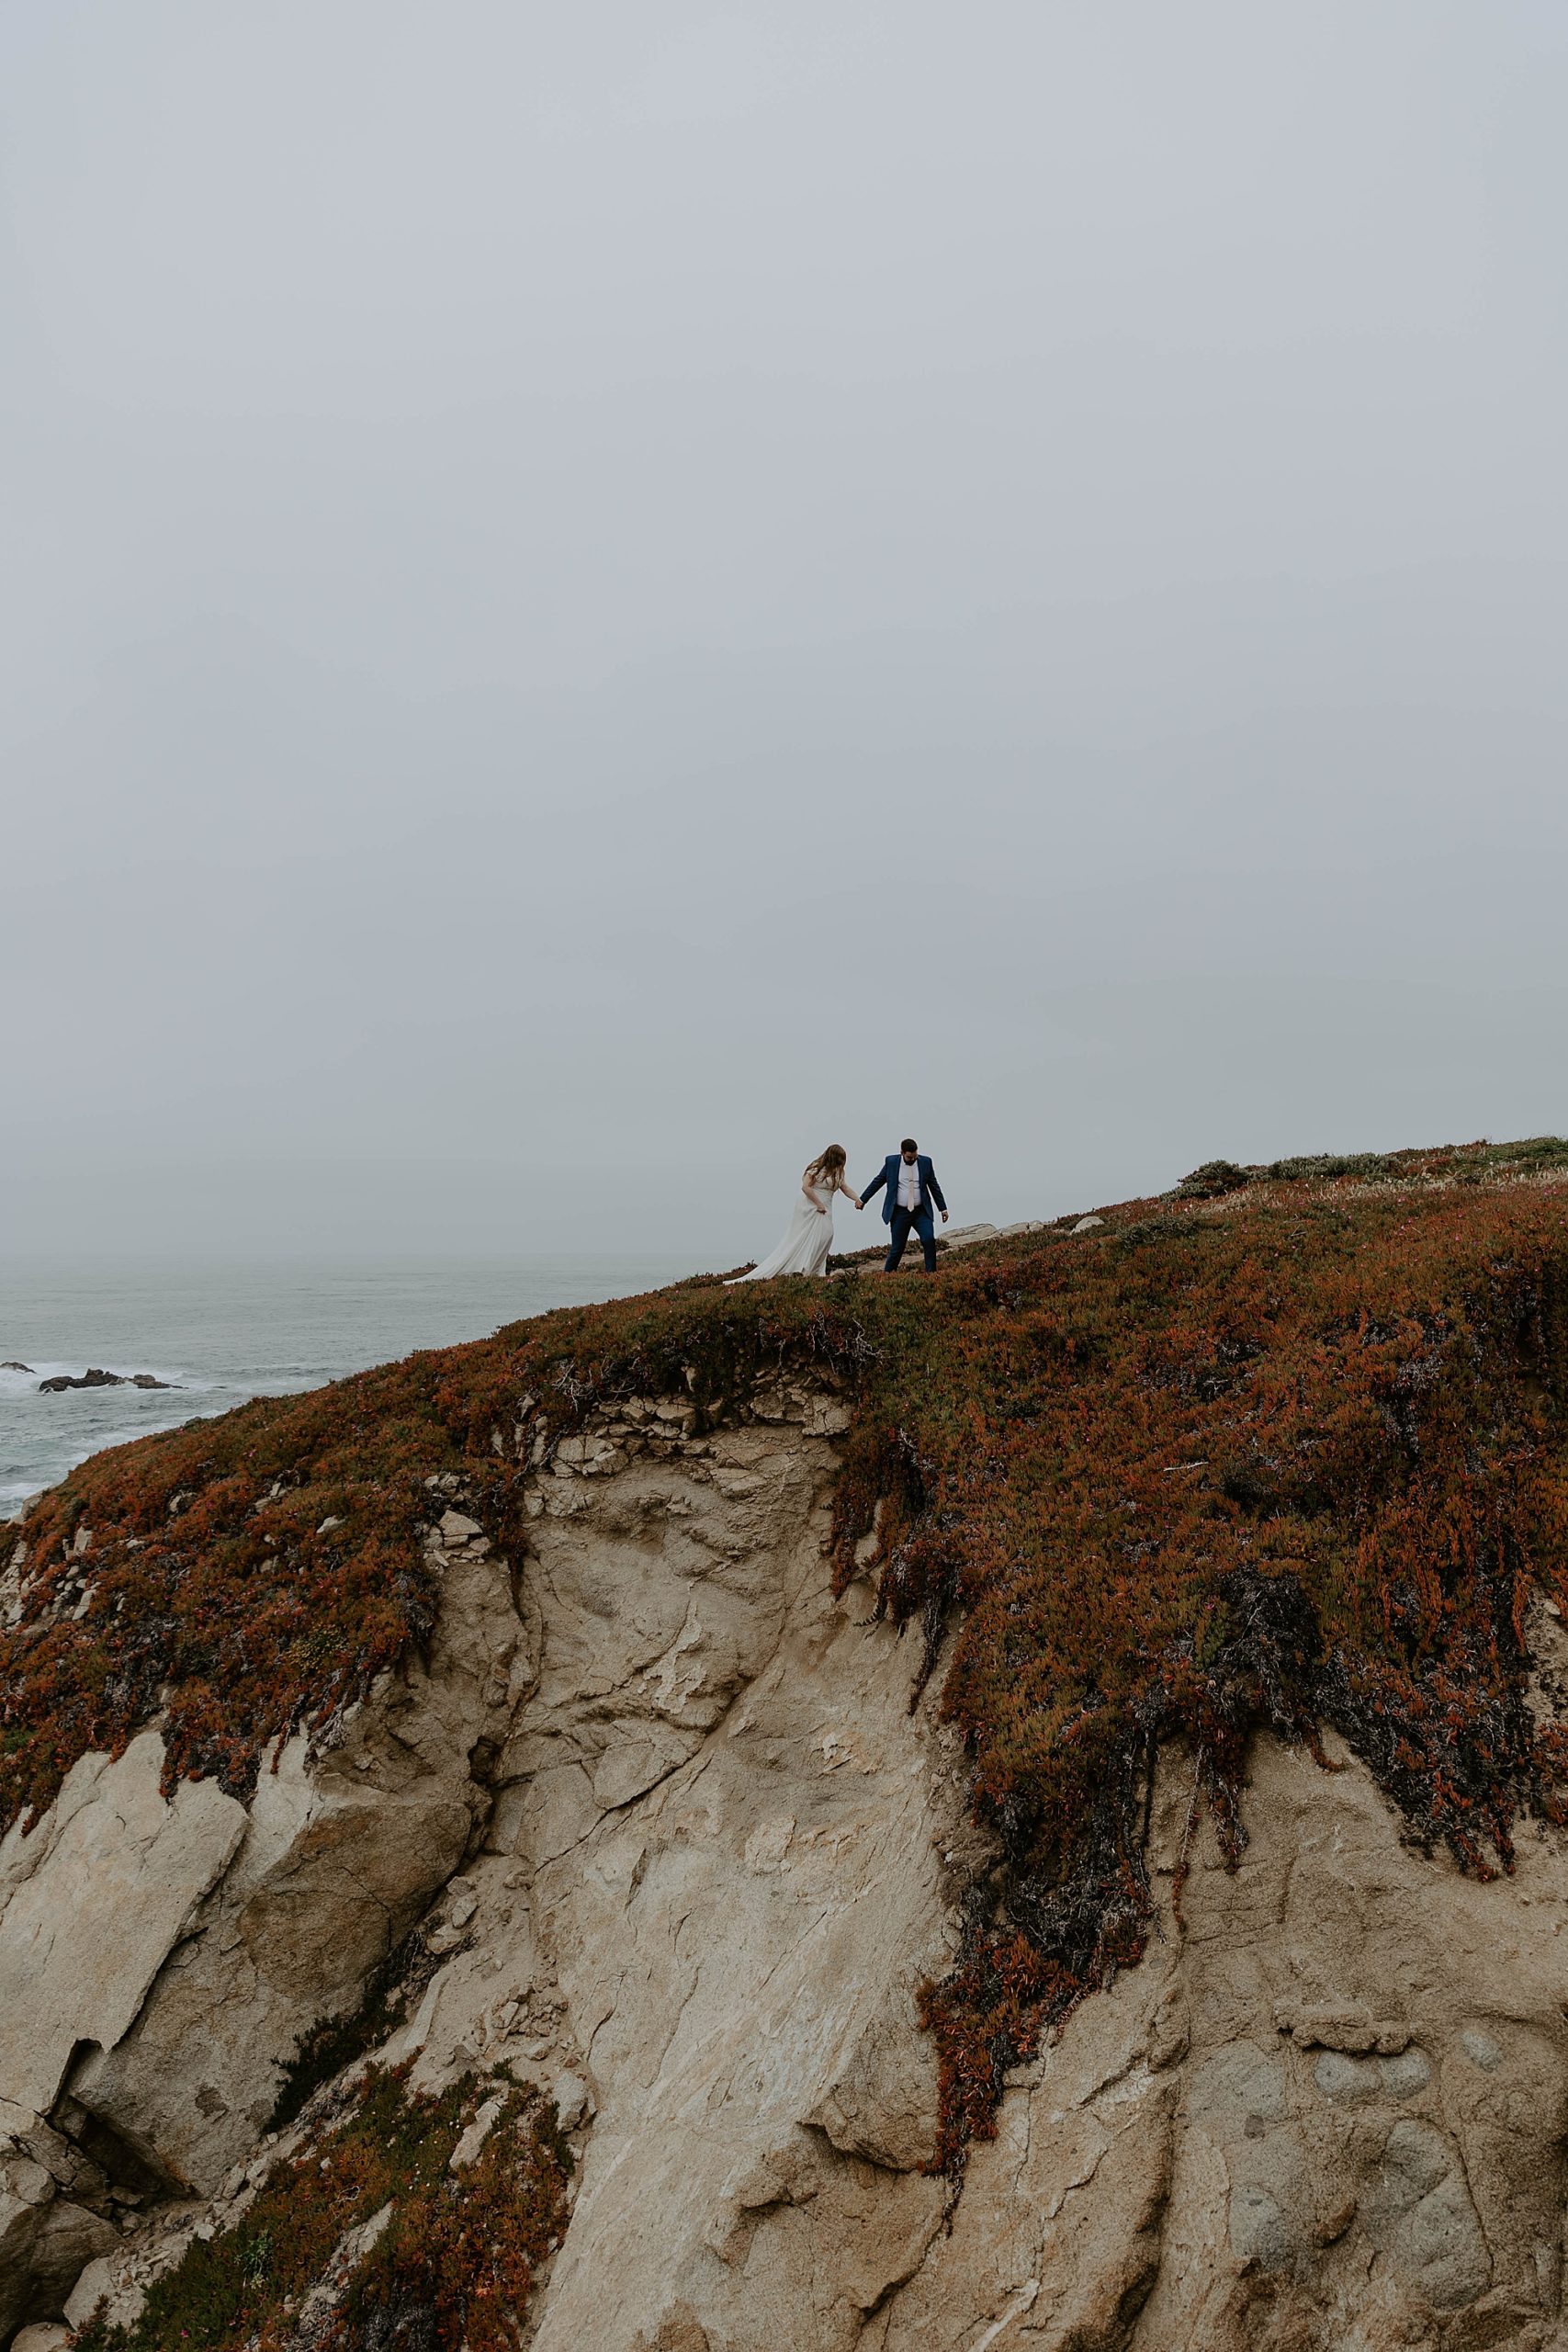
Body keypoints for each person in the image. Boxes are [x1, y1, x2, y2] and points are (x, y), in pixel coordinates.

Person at [728, 1146, 863, 1282]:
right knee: (812, 1237)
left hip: (827, 1207)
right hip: (813, 1206)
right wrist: (818, 1204)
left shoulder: (837, 1173)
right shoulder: (815, 1170)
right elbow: (806, 1187)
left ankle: (814, 1268)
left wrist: (857, 1199)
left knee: (827, 1235)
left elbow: (845, 1188)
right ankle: (805, 1268)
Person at [858, 1136, 948, 1273]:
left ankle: (931, 1274)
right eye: (909, 1157)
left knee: (929, 1239)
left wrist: (943, 1209)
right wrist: (863, 1199)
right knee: (898, 1248)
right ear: (902, 1153)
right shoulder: (891, 1162)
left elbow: (934, 1186)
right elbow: (878, 1181)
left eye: (915, 1156)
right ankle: (887, 1275)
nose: (913, 1160)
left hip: (921, 1211)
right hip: (900, 1212)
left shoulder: (926, 1162)